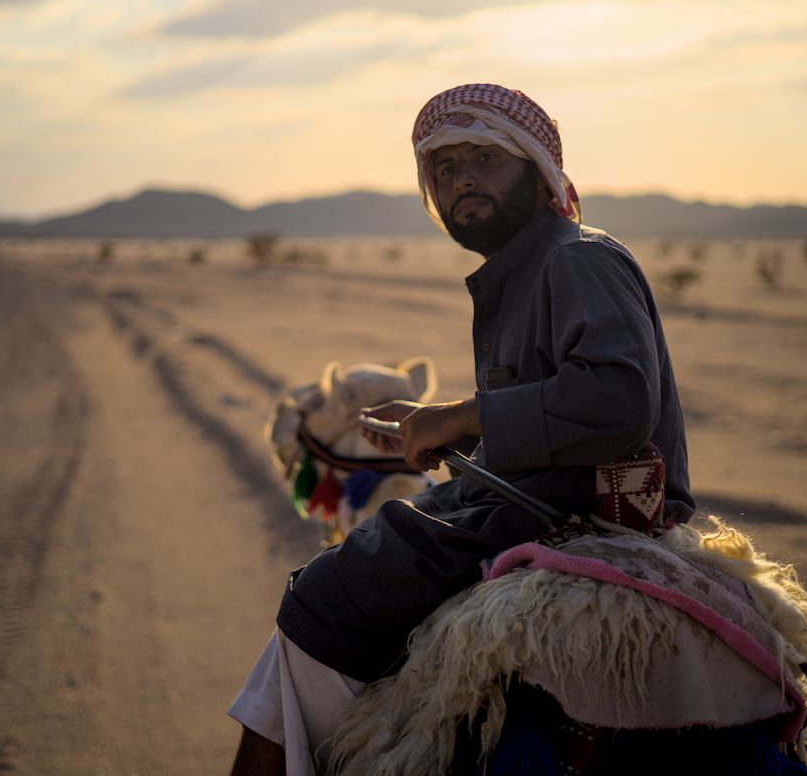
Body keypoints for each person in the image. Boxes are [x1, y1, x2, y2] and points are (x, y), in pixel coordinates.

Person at [228, 83, 694, 775]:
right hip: (538, 500)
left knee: (329, 590)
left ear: (540, 173)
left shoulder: (576, 257)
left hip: (575, 518)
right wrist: (442, 428)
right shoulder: (526, 270)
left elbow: (618, 398)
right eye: (442, 169)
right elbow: (556, 408)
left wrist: (462, 415)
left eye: (483, 157)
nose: (460, 179)